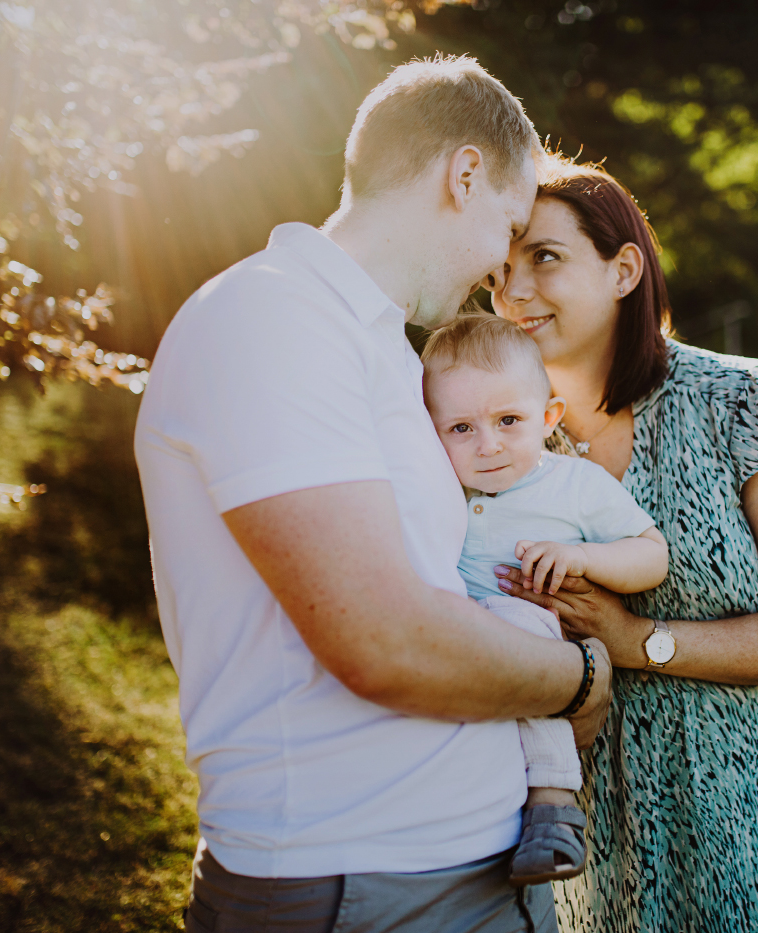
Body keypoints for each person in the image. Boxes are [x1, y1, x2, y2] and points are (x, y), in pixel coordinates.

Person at [134, 57, 613, 933]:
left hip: (456, 870)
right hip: (360, 886)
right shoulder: (270, 318)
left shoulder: (385, 352)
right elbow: (383, 638)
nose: (496, 275)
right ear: (463, 175)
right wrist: (579, 678)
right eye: (506, 228)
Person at [487, 157, 758, 932]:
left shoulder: (740, 399)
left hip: (738, 821)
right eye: (500, 269)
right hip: (572, 833)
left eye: (544, 258)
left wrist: (634, 640)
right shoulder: (495, 439)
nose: (512, 291)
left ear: (624, 269)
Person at [419, 313, 669, 886]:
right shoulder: (439, 487)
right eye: (460, 428)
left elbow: (651, 553)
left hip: (533, 639)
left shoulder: (573, 484)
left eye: (510, 420)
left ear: (549, 417)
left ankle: (554, 805)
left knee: (521, 631)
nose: (488, 445)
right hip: (452, 644)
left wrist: (581, 558)